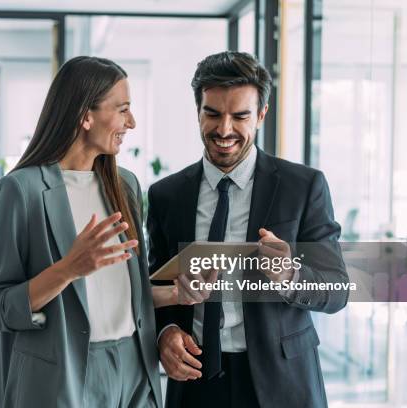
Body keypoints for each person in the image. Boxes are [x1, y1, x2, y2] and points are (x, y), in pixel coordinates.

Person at [0, 56, 202, 408]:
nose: (132, 122)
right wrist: (68, 269)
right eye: (123, 109)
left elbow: (119, 290)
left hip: (134, 366)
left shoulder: (124, 185)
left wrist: (175, 293)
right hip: (64, 374)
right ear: (85, 116)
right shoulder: (21, 191)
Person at [147, 51, 349, 408]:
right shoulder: (166, 195)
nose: (224, 130)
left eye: (240, 116)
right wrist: (166, 332)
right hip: (195, 380)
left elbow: (336, 288)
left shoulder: (303, 187)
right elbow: (156, 285)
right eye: (212, 114)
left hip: (282, 383)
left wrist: (290, 275)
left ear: (260, 115)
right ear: (198, 112)